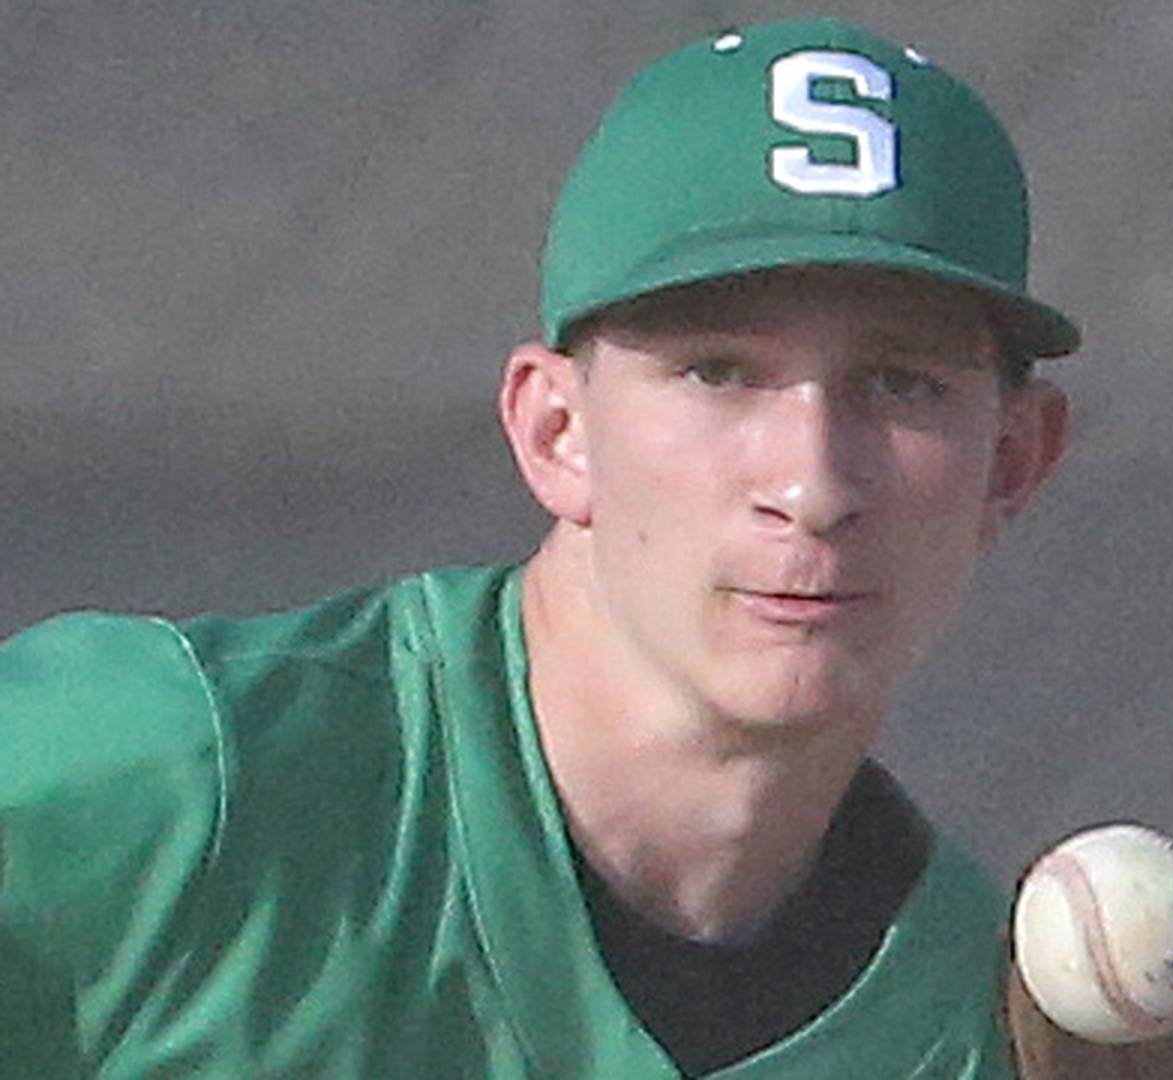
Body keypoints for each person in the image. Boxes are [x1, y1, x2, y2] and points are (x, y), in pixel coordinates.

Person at [0, 17, 1077, 1078]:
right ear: (556, 433)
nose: (812, 485)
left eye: (902, 383)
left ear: (1014, 464)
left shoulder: (975, 1035)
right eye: (719, 370)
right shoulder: (157, 783)